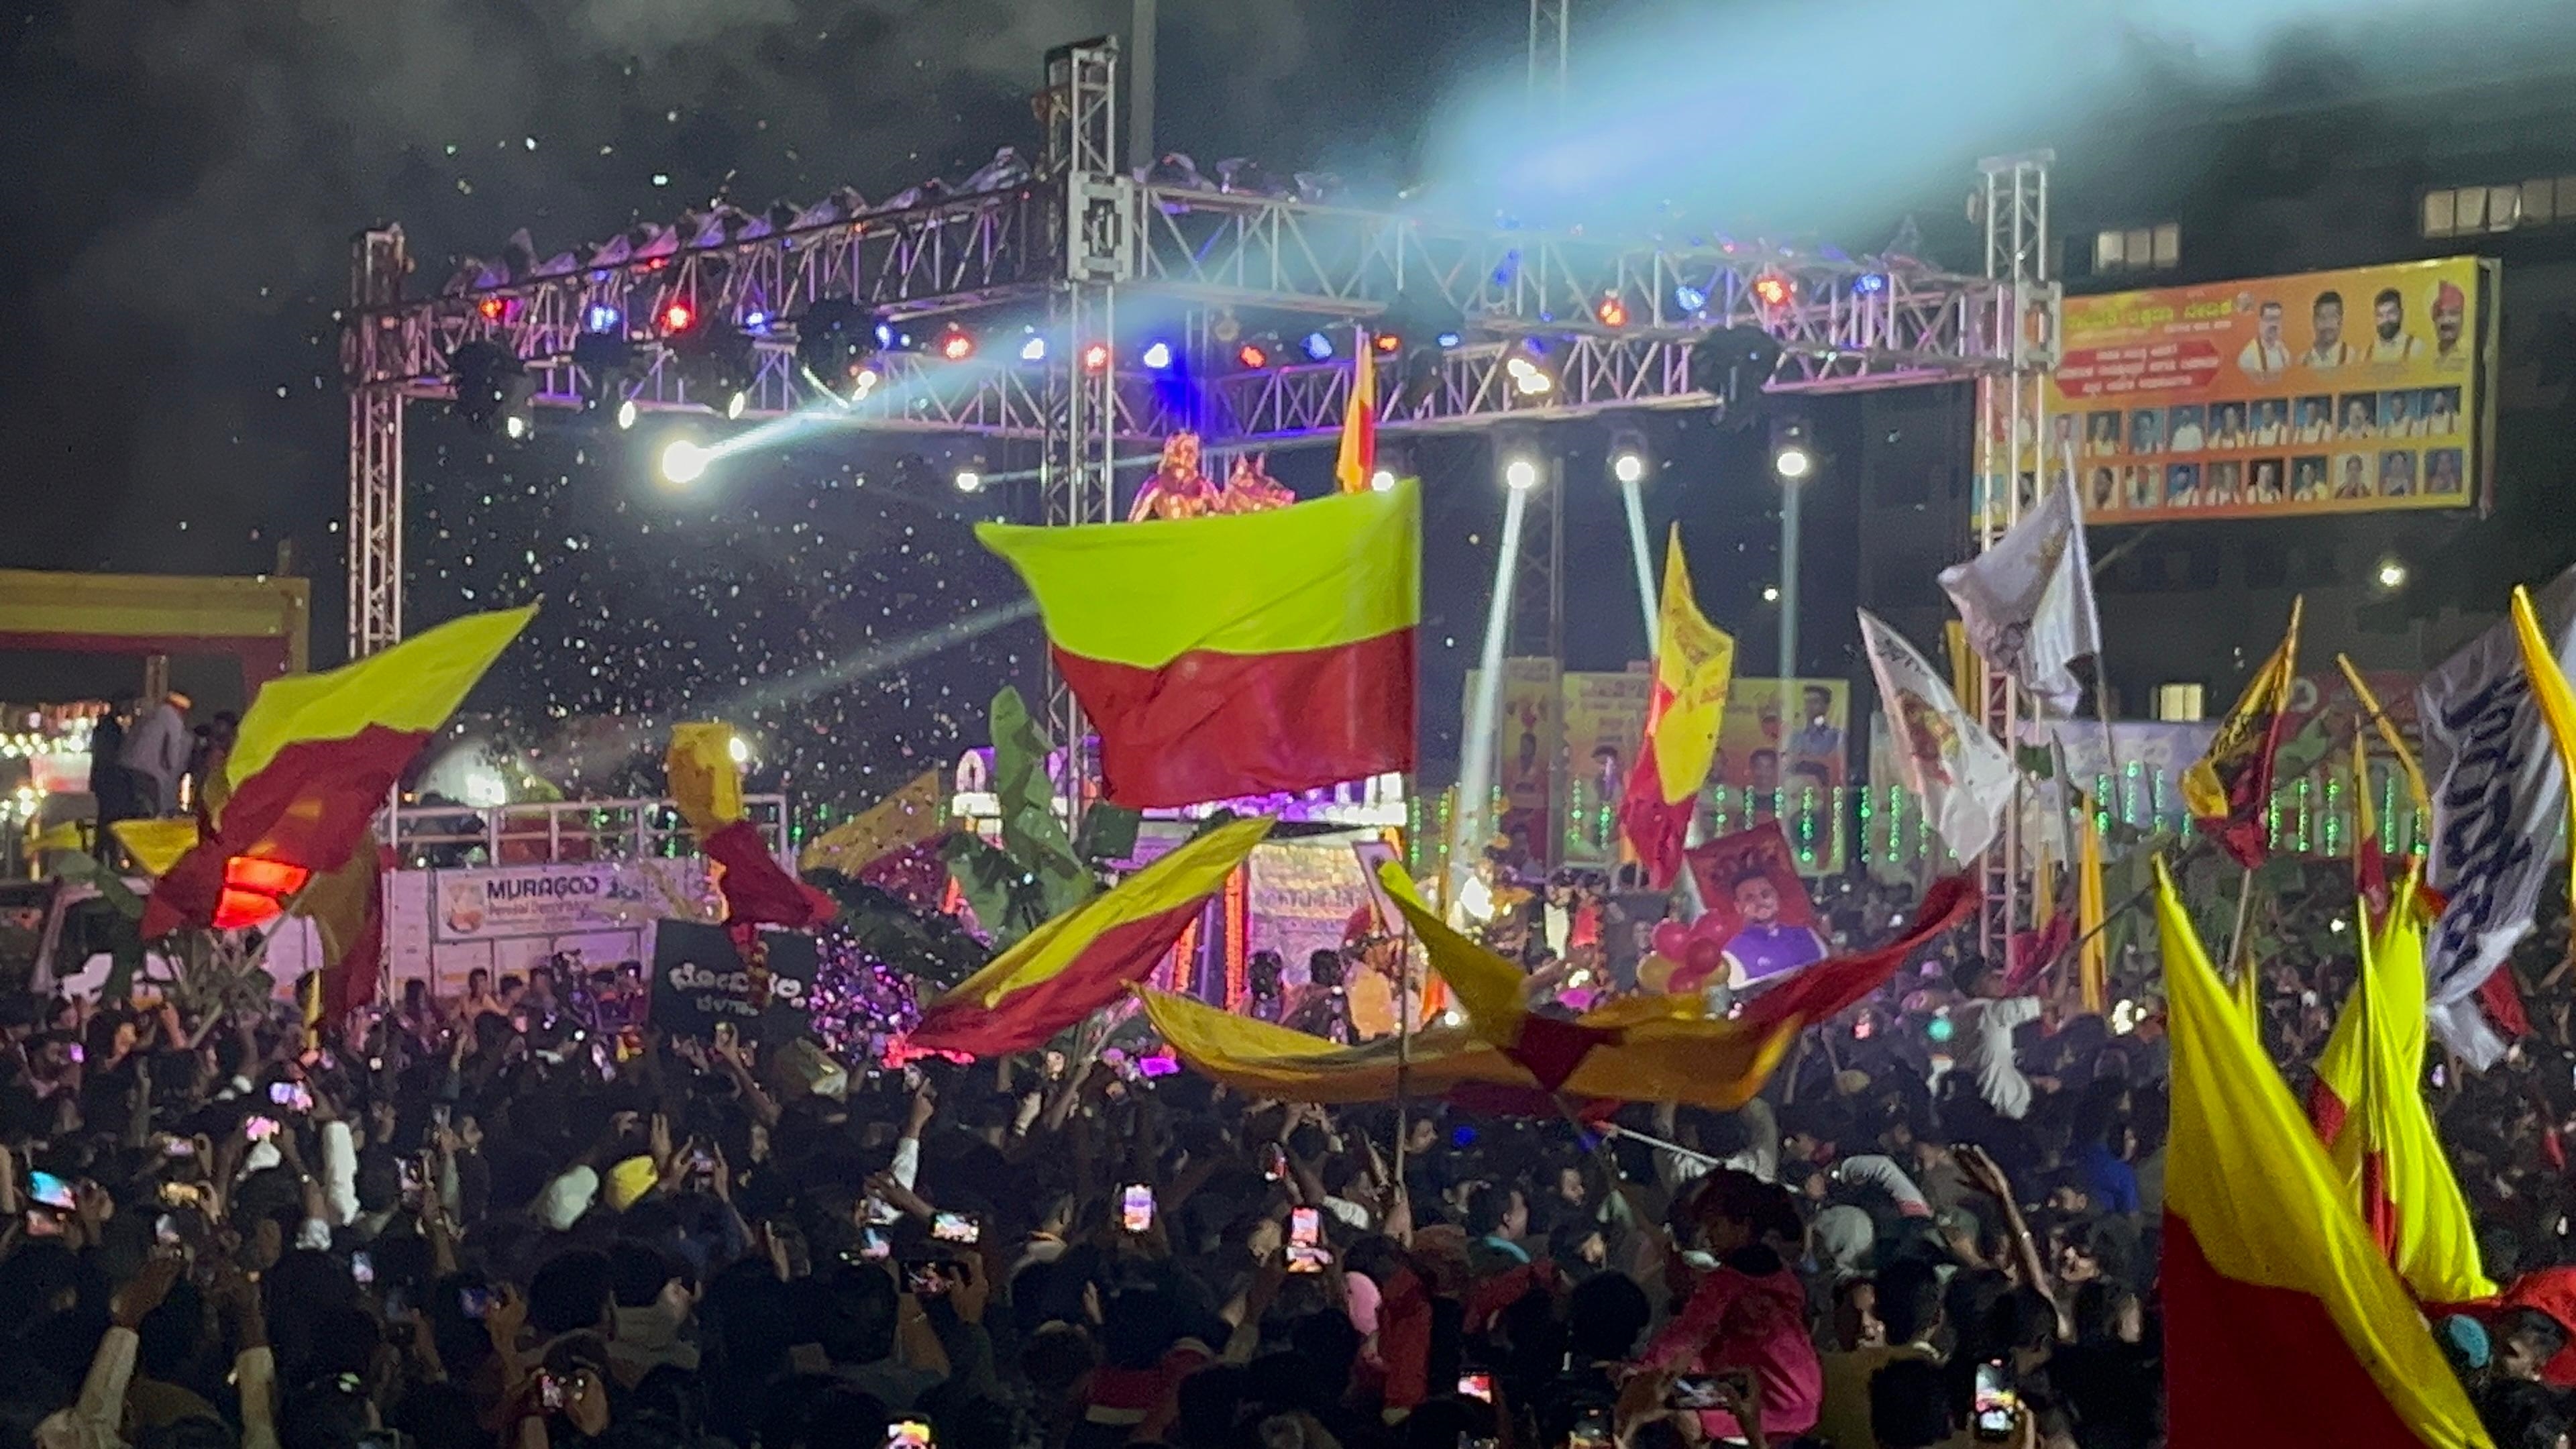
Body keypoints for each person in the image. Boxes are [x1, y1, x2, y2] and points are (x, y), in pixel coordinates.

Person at [1720, 871, 1828, 983]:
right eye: (1750, 898)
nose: (1760, 902)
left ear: (1776, 897)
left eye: (1766, 894)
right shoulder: (1732, 955)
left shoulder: (1808, 936)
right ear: (1738, 907)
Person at [119, 690, 193, 817]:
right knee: (154, 812)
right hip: (147, 774)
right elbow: (173, 755)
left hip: (125, 769)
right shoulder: (171, 716)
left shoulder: (149, 715)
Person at [2368, 286, 2425, 362]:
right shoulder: (2368, 353)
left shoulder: (2416, 347)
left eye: (2391, 313)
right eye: (2380, 315)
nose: (2385, 320)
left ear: (2401, 313)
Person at [2236, 299, 2290, 377]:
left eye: (2277, 319)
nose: (2274, 324)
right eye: (2270, 319)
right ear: (2260, 322)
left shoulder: (2284, 351)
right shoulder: (2248, 356)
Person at [2303, 289, 2353, 368]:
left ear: (2341, 320)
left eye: (2333, 317)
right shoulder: (2302, 362)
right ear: (2314, 321)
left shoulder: (2353, 359)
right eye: (2322, 317)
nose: (2327, 324)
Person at [2433, 279, 2469, 365]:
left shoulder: (2468, 355)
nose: (2446, 320)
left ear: (2462, 318)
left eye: (2453, 313)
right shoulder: (2423, 356)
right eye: (2440, 314)